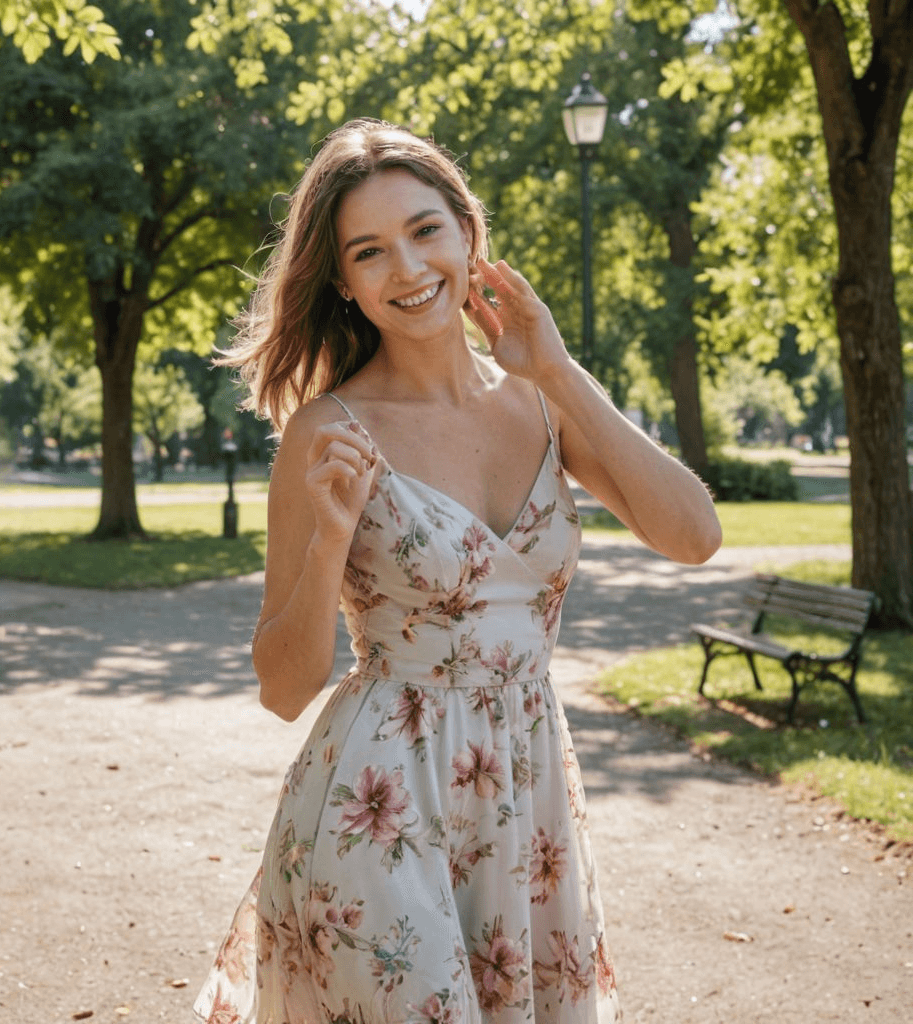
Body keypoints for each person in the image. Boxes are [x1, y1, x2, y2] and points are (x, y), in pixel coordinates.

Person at [194, 118, 722, 1024]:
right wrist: (328, 544)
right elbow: (285, 687)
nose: (406, 268)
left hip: (526, 799)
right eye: (369, 252)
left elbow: (693, 535)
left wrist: (556, 368)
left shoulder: (543, 399)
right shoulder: (327, 433)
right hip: (381, 801)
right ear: (345, 285)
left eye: (425, 230)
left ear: (468, 235)